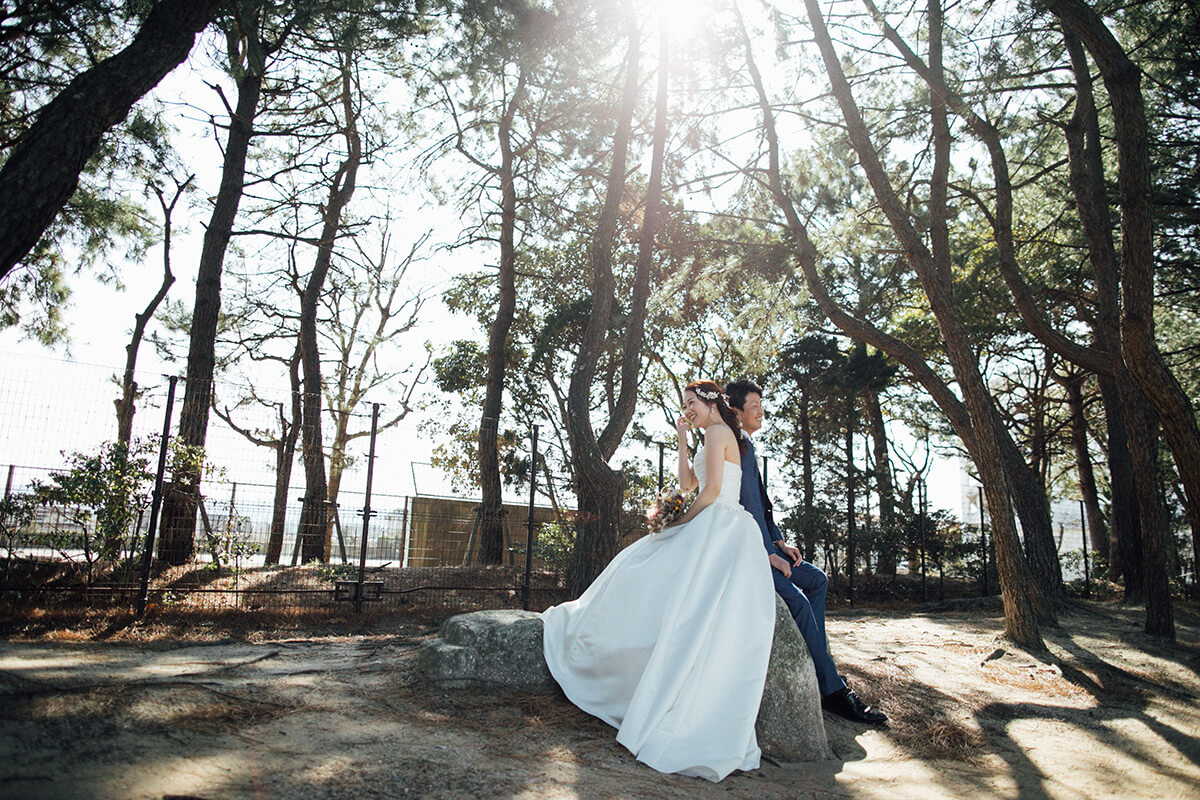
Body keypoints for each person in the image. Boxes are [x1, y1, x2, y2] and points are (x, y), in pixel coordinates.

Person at [542, 381, 776, 781]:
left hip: (719, 526)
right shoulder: (708, 436)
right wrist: (684, 441)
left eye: (691, 404)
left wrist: (680, 523)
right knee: (638, 565)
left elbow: (716, 491)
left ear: (711, 402)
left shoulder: (721, 432)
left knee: (646, 570)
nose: (687, 409)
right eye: (683, 405)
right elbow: (689, 486)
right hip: (707, 518)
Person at [725, 378, 887, 725]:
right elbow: (746, 507)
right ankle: (833, 690)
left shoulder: (746, 444)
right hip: (749, 550)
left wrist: (781, 541)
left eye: (760, 404)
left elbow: (762, 506)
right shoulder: (735, 445)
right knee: (797, 598)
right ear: (736, 411)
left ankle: (817, 662)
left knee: (816, 579)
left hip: (767, 544)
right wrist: (768, 552)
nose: (760, 410)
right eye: (753, 405)